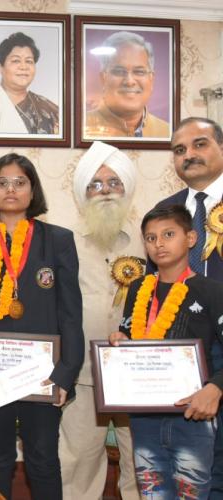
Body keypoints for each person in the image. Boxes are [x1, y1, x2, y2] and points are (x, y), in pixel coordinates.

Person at [0, 153, 84, 500]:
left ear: (32, 190)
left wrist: (65, 375)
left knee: (43, 460)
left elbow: (70, 314)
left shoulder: (59, 240)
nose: (11, 189)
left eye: (20, 182)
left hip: (44, 376)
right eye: (2, 183)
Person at [109, 204, 223, 499]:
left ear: (191, 238)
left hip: (193, 415)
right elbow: (130, 337)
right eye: (150, 238)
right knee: (152, 492)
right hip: (144, 417)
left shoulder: (212, 291)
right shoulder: (137, 291)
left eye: (168, 234)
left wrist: (215, 388)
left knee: (192, 493)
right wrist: (119, 342)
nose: (159, 243)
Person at [59, 141, 140, 500]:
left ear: (127, 188)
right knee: (76, 464)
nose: (105, 191)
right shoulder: (65, 244)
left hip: (140, 377)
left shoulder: (149, 239)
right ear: (82, 193)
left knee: (142, 462)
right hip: (84, 375)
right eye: (95, 184)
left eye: (114, 182)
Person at [155, 117, 223, 498]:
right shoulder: (164, 211)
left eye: (200, 144)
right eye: (180, 150)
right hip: (180, 357)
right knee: (189, 472)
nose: (189, 155)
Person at [85, 31, 169, 138]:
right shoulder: (82, 127)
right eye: (119, 71)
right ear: (103, 79)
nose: (129, 81)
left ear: (151, 80)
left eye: (139, 72)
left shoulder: (168, 133)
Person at [0, 32, 59, 135]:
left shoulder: (47, 107)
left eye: (29, 61)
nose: (23, 67)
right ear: (1, 68)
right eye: (16, 61)